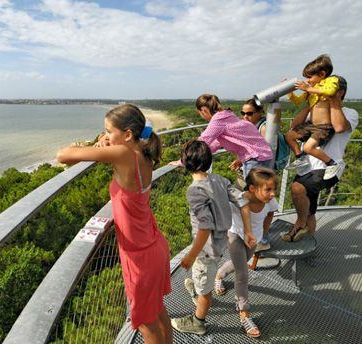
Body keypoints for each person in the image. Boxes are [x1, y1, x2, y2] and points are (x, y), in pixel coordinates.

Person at [56, 104, 173, 344]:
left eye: (109, 130)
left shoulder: (123, 155)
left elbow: (63, 156)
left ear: (128, 134)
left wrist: (98, 145)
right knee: (157, 310)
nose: (106, 135)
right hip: (153, 245)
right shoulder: (142, 153)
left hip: (139, 257)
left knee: (144, 322)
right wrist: (107, 140)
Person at [170, 139, 255, 336]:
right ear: (209, 161)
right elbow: (243, 201)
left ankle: (198, 321)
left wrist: (191, 254)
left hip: (205, 250)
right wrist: (248, 231)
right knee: (203, 274)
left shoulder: (195, 190)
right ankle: (199, 287)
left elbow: (204, 226)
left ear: (186, 163)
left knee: (205, 287)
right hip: (219, 242)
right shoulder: (219, 180)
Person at [282, 76, 359, 242]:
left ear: (341, 92)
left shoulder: (349, 113)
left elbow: (338, 127)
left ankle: (299, 224)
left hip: (329, 168)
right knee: (309, 208)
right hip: (307, 166)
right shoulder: (317, 111)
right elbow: (294, 128)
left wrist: (333, 100)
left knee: (297, 189)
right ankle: (308, 244)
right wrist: (310, 104)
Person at [214, 167, 278, 338]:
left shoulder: (270, 201)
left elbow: (271, 212)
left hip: (253, 239)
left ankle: (220, 274)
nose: (273, 193)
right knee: (242, 273)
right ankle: (244, 313)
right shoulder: (239, 200)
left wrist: (265, 230)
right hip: (235, 236)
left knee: (240, 264)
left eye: (274, 189)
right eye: (268, 189)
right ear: (252, 189)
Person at [172, 94, 273, 178]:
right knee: (258, 193)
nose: (201, 116)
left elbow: (201, 143)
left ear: (203, 110)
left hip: (256, 158)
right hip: (263, 157)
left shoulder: (218, 119)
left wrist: (183, 161)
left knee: (254, 195)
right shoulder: (226, 115)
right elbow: (213, 145)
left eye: (200, 113)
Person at [285, 54, 341, 180]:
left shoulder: (331, 81)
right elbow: (298, 101)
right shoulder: (312, 89)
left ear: (322, 74)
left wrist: (309, 88)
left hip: (324, 127)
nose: (308, 81)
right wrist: (290, 93)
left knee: (308, 147)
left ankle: (332, 164)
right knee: (289, 136)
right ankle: (301, 158)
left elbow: (330, 91)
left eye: (309, 77)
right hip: (311, 125)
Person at [230, 98, 290, 171]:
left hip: (275, 162)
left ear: (260, 112)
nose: (245, 116)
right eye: (243, 113)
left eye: (249, 113)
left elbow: (268, 152)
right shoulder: (253, 125)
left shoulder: (264, 128)